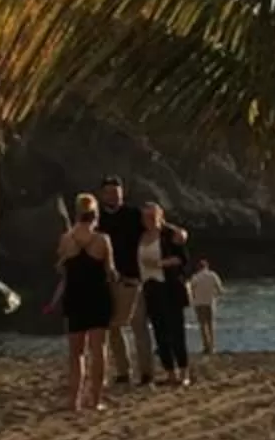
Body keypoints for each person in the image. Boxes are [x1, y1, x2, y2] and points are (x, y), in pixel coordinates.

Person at [54, 194, 116, 417]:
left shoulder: (66, 239)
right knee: (98, 350)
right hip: (98, 297)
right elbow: (110, 272)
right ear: (95, 215)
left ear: (76, 213)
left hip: (75, 297)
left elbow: (61, 269)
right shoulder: (102, 240)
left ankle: (74, 400)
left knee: (76, 353)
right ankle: (96, 400)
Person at [97, 173, 150, 387]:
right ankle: (123, 371)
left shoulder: (133, 214)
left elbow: (156, 227)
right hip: (108, 279)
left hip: (133, 278)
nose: (114, 196)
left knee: (139, 326)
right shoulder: (97, 218)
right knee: (113, 328)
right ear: (102, 195)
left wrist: (177, 233)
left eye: (117, 193)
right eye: (109, 193)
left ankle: (146, 373)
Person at [138, 204, 192, 387]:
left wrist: (160, 263)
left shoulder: (169, 235)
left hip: (169, 287)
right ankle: (170, 373)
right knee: (160, 332)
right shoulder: (140, 236)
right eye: (146, 217)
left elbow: (182, 259)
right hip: (150, 287)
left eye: (153, 216)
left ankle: (184, 372)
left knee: (176, 330)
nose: (149, 220)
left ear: (160, 216)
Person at [187, 251, 227, 356]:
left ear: (198, 267)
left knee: (203, 325)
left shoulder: (195, 277)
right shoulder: (212, 275)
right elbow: (220, 289)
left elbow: (191, 290)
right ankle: (213, 347)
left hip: (199, 303)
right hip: (210, 302)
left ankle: (206, 346)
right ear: (207, 266)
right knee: (211, 325)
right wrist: (218, 295)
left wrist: (193, 299)